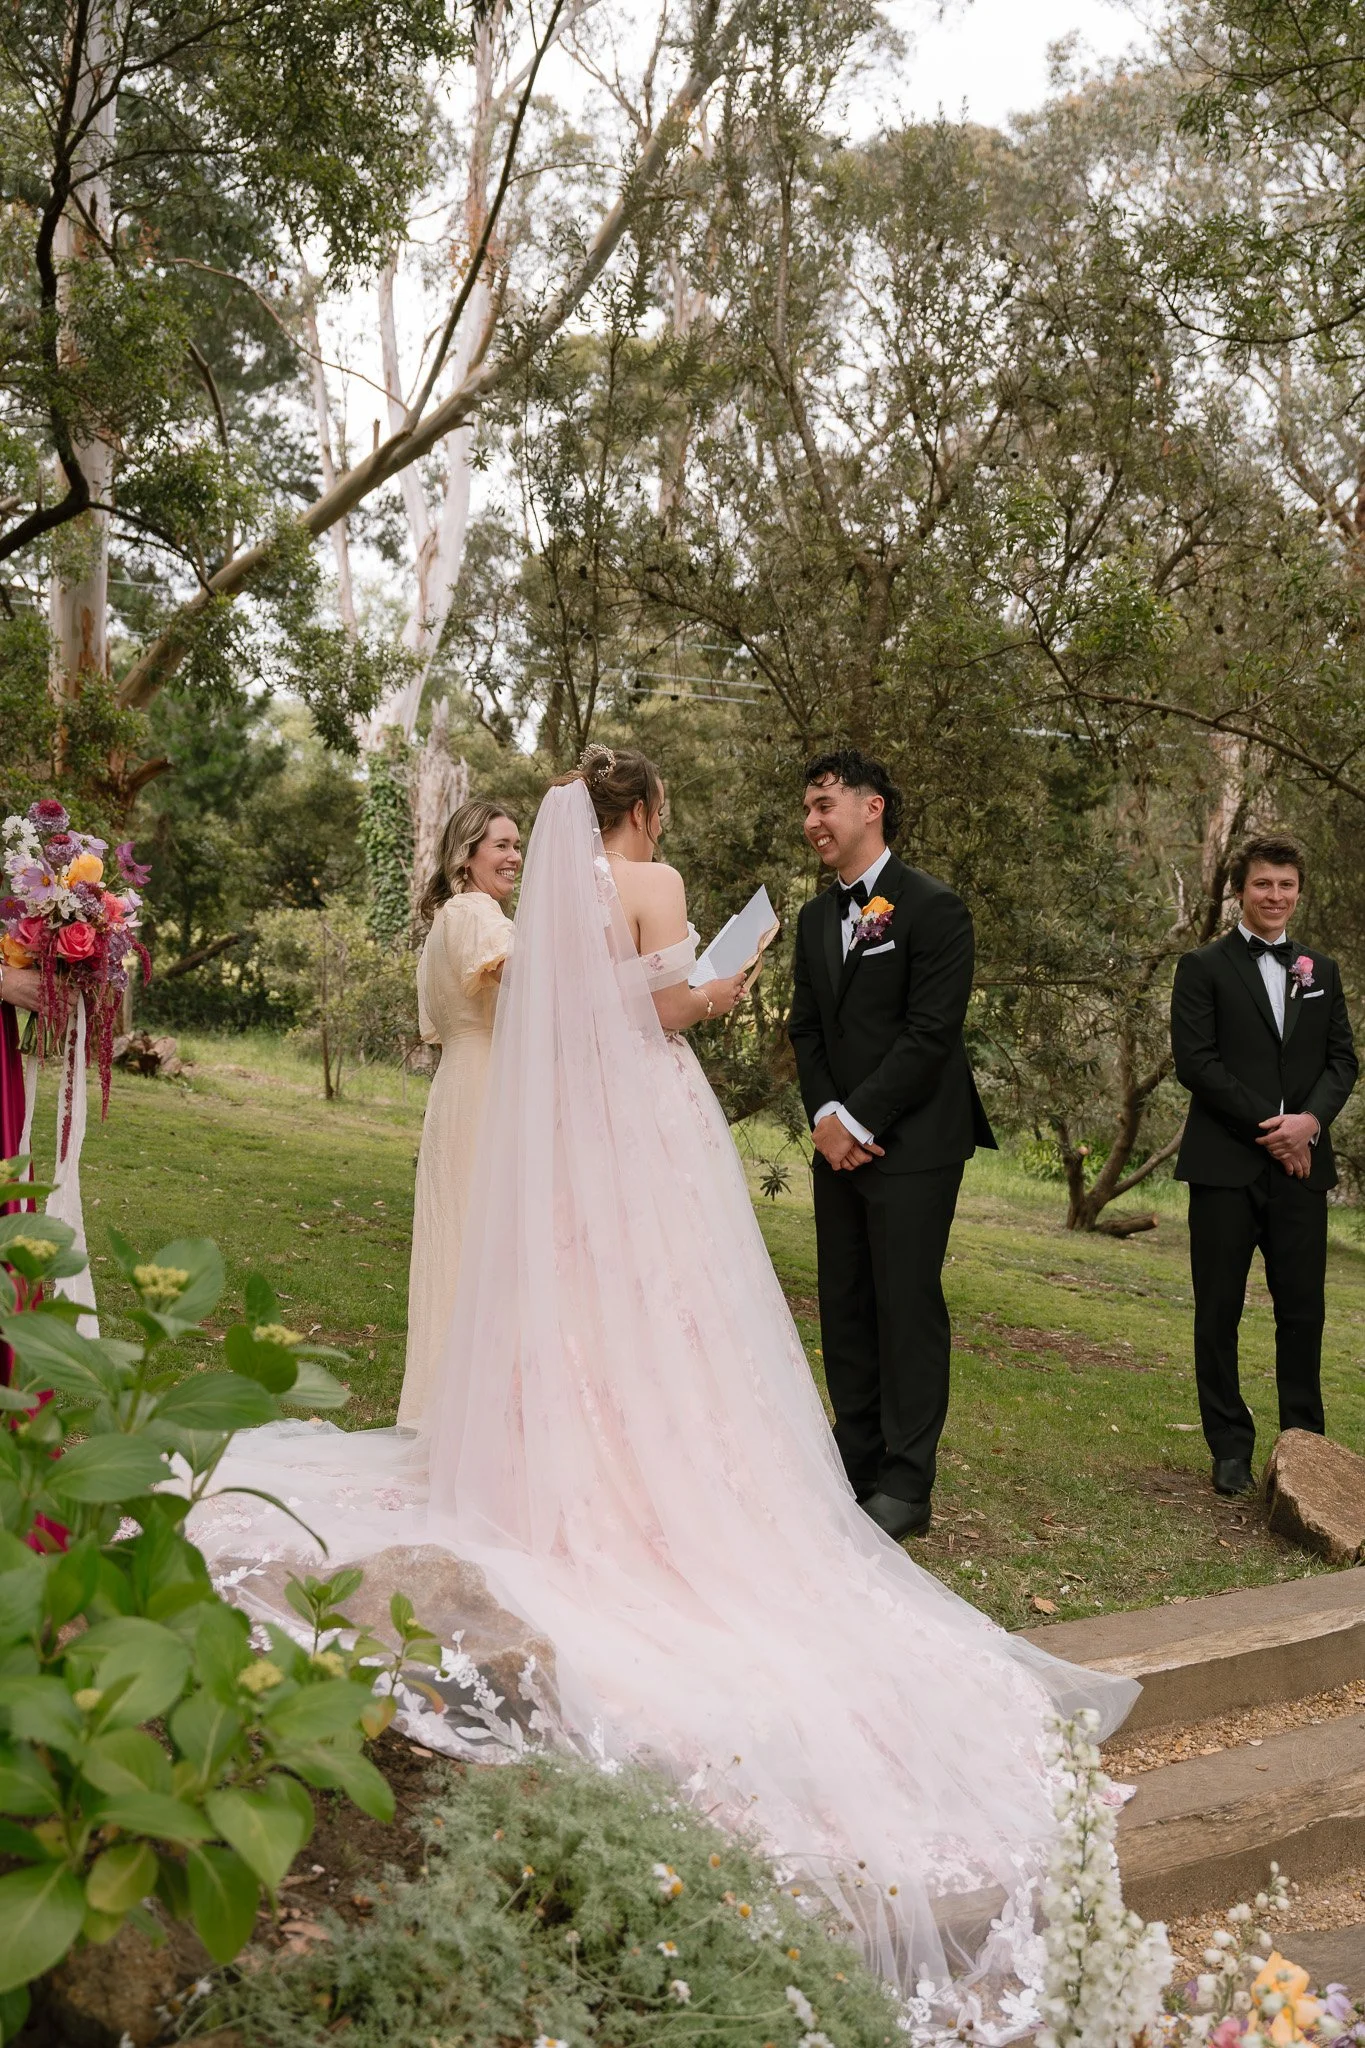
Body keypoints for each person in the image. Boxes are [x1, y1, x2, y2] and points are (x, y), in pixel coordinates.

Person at [190, 745, 1135, 1996]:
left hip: (590, 1119)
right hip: (653, 1105)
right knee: (684, 1298)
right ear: (649, 812)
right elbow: (673, 1004)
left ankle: (632, 1454)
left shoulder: (557, 891)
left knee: (599, 1293)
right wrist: (723, 978)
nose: (810, 814)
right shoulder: (655, 876)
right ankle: (729, 1475)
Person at [787, 749, 996, 1541]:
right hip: (835, 1140)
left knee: (904, 1306)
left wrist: (860, 1120)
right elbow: (806, 1028)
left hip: (914, 1144)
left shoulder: (934, 909)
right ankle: (857, 1457)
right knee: (843, 1304)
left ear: (871, 808)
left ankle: (908, 1485)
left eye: (824, 804)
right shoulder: (813, 920)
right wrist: (825, 1118)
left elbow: (930, 1033)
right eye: (807, 808)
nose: (812, 822)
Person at [1171, 832, 1358, 1498]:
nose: (1273, 896)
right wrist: (1272, 1129)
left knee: (1302, 1311)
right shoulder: (1201, 968)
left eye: (1284, 885)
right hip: (1224, 1166)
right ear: (1239, 891)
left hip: (1302, 1171)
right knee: (1217, 1310)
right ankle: (1227, 1447)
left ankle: (1304, 1449)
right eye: (1261, 884)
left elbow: (1342, 1062)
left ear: (1297, 891)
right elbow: (1196, 1064)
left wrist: (1308, 1123)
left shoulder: (1321, 971)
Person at [396, 800, 521, 1432]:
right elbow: (525, 984)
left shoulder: (451, 918)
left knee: (461, 1246)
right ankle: (478, 1419)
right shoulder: (477, 915)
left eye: (517, 844)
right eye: (500, 844)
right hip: (485, 1090)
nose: (514, 856)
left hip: (459, 1088)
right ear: (466, 855)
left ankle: (450, 1412)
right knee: (486, 1246)